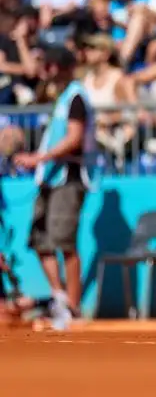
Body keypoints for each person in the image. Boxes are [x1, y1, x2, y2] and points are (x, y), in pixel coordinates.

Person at [10, 47, 92, 331]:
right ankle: (59, 298)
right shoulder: (62, 98)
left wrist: (38, 158)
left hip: (68, 178)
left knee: (65, 243)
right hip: (49, 179)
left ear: (67, 67)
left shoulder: (77, 97)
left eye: (54, 65)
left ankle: (74, 307)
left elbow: (74, 139)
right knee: (40, 240)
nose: (49, 70)